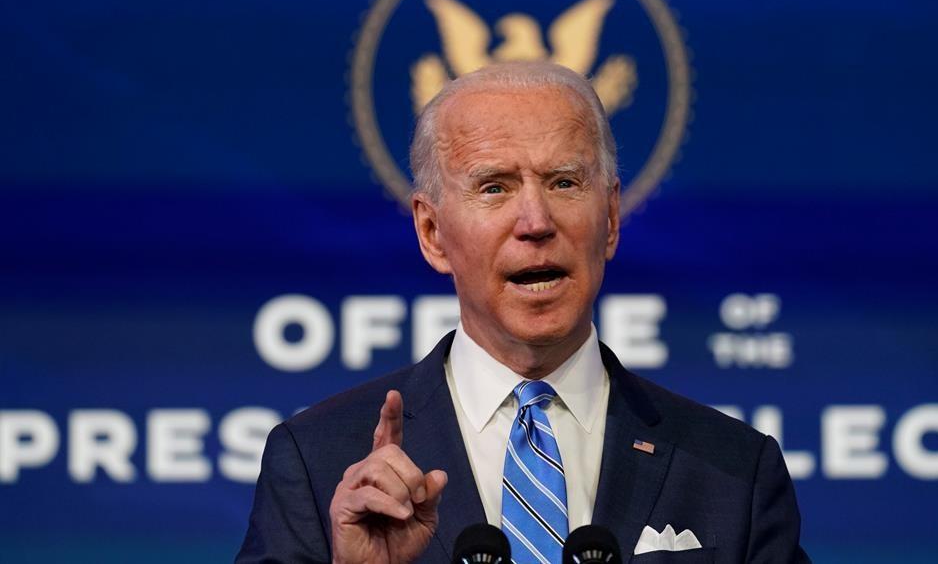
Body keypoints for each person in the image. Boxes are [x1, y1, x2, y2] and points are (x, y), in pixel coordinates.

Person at [237, 61, 809, 563]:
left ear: (611, 218)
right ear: (432, 233)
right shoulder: (317, 463)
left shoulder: (734, 471)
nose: (536, 222)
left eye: (564, 182)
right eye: (494, 188)